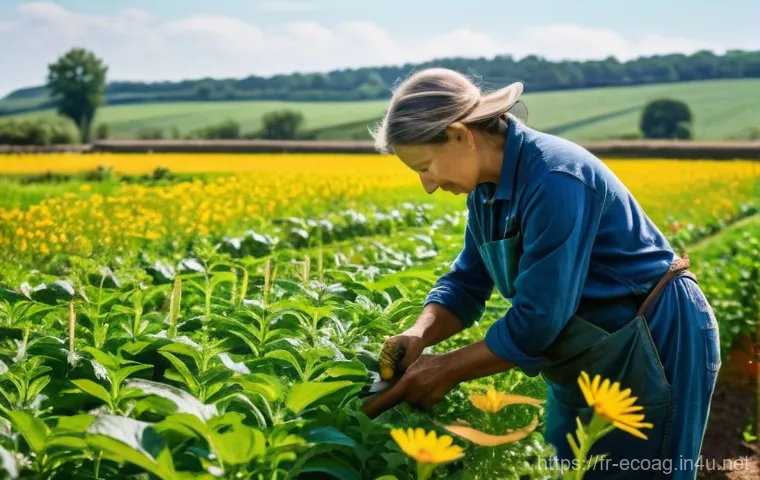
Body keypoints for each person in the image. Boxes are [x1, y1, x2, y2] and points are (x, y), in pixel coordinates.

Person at [361, 67, 721, 479]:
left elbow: (538, 319)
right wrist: (418, 334)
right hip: (589, 354)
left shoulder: (555, 178)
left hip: (654, 342)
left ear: (461, 134)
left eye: (425, 165)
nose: (427, 184)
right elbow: (466, 283)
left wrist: (446, 369)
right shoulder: (485, 194)